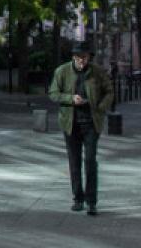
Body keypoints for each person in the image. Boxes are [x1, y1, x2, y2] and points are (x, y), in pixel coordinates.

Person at [48, 41, 113, 215]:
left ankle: (91, 201)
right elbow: (53, 93)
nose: (82, 61)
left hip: (92, 123)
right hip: (71, 124)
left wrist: (100, 106)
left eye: (85, 57)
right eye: (78, 57)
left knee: (90, 161)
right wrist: (70, 98)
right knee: (74, 162)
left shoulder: (97, 72)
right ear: (73, 57)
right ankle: (78, 198)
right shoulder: (62, 71)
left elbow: (109, 91)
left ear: (89, 57)